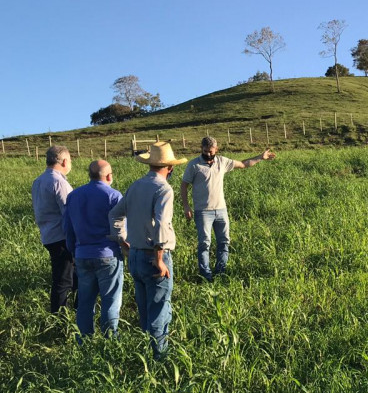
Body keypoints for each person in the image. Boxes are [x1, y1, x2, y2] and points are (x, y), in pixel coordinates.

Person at [109, 142, 186, 360]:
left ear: (150, 164)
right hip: (154, 256)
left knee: (144, 309)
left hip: (135, 255)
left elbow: (114, 215)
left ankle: (145, 356)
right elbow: (162, 224)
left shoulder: (135, 186)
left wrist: (122, 241)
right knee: (159, 309)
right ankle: (159, 359)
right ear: (170, 167)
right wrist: (159, 259)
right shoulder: (164, 189)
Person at [181, 136, 276, 281]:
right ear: (201, 149)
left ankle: (220, 272)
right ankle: (206, 275)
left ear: (216, 149)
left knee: (224, 241)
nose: (208, 154)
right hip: (203, 211)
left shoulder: (222, 161)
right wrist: (186, 206)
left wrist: (260, 157)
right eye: (205, 151)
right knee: (204, 243)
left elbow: (243, 164)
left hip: (221, 210)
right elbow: (184, 185)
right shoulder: (194, 165)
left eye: (211, 151)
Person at [62, 160, 124, 340]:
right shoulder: (114, 196)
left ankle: (84, 340)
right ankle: (110, 339)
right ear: (109, 176)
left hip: (82, 254)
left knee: (85, 301)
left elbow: (68, 228)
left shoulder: (73, 196)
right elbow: (120, 229)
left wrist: (73, 251)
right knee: (110, 300)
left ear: (89, 175)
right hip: (108, 253)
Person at [32, 145, 76, 312]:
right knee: (63, 280)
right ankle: (60, 317)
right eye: (70, 160)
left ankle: (71, 311)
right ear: (64, 161)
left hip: (48, 234)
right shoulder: (59, 182)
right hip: (62, 236)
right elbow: (69, 212)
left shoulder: (38, 181)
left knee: (69, 275)